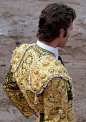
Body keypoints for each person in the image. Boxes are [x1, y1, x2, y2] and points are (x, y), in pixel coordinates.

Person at [3, 3, 76, 122]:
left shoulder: (22, 52)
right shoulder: (55, 75)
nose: (70, 35)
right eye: (70, 30)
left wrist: (34, 110)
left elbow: (9, 86)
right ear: (62, 32)